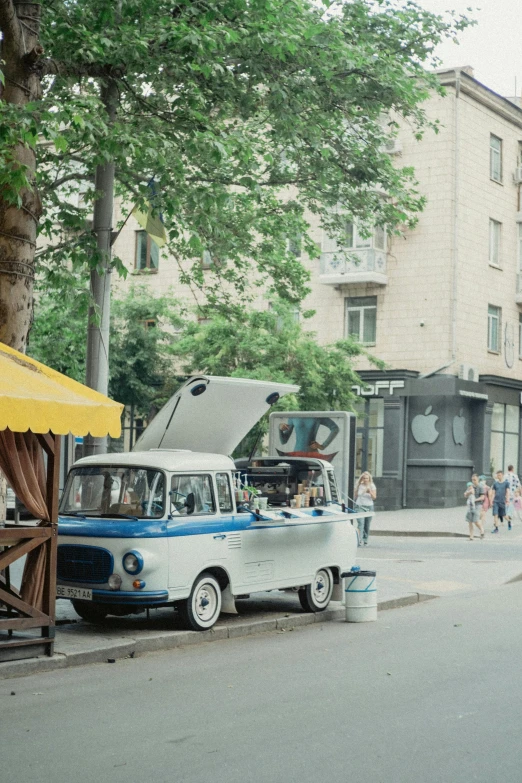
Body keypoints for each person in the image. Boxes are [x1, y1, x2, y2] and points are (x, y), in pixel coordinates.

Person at [355, 471, 376, 546]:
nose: (365, 479)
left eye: (367, 478)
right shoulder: (359, 485)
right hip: (360, 506)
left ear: (369, 479)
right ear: (362, 478)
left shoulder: (372, 486)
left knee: (367, 524)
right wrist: (364, 490)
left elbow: (374, 497)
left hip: (369, 506)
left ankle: (365, 539)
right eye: (364, 478)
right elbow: (357, 495)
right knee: (361, 523)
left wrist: (370, 491)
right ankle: (359, 540)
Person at [466, 474, 485, 540]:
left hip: (478, 505)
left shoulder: (480, 487)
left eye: (475, 480)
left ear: (478, 480)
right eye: (472, 480)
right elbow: (465, 495)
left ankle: (482, 530)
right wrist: (467, 493)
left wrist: (475, 500)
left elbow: (482, 497)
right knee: (470, 521)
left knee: (476, 520)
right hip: (470, 506)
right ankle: (471, 536)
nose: (473, 481)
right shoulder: (470, 486)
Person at [505, 465, 520, 529]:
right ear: (512, 469)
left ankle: (507, 514)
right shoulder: (515, 476)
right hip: (513, 493)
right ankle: (509, 515)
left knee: (506, 504)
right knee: (511, 504)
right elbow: (518, 484)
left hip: (506, 493)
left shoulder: (505, 475)